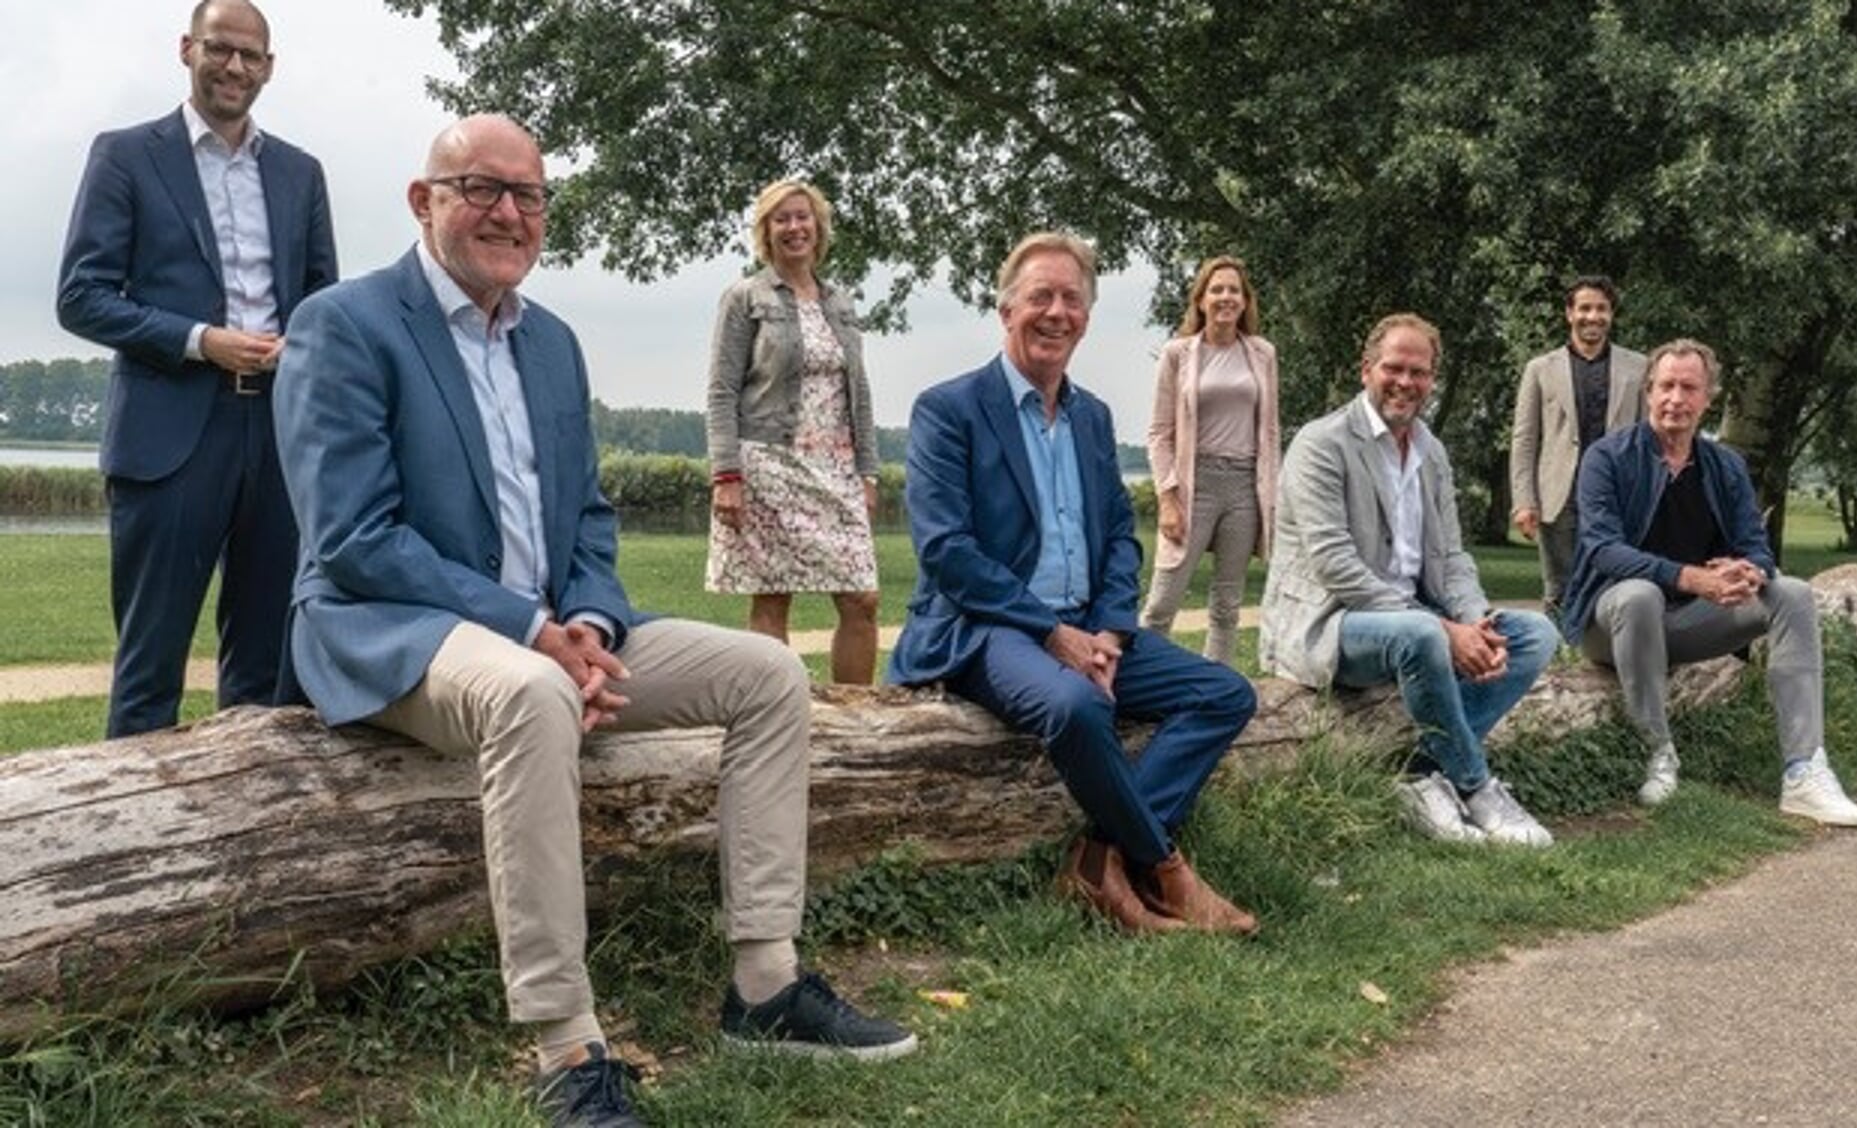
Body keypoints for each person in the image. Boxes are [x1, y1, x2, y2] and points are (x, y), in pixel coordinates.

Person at [275, 116, 914, 1128]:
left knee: (767, 673)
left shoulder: (553, 341)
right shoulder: (344, 324)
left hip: (549, 629)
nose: (509, 213)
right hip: (395, 629)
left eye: (529, 196)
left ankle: (765, 986)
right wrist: (531, 633)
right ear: (422, 200)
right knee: (533, 695)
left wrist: (591, 625)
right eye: (482, 188)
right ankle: (565, 1044)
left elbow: (587, 522)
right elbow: (355, 538)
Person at [888, 232, 1260, 936]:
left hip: (1089, 627)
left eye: (1072, 299)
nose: (1056, 312)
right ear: (1005, 310)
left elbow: (1121, 535)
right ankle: (1166, 869)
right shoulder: (950, 410)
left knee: (1225, 693)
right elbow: (947, 552)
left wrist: (1113, 632)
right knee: (1078, 708)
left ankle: (1099, 856)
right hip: (986, 627)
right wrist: (1053, 634)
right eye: (1040, 297)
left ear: (1086, 317)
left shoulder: (1092, 418)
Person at [55, 0, 336, 737]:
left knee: (268, 672)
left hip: (278, 437)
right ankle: (137, 841)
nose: (235, 67)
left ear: (269, 68)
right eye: (221, 49)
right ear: (188, 49)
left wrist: (304, 351)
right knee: (150, 669)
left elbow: (320, 303)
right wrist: (199, 340)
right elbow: (80, 298)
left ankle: (246, 840)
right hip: (170, 435)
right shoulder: (124, 155)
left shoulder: (301, 173)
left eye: (251, 56)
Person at [1257, 314, 1559, 847]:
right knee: (1420, 636)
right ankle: (1477, 786)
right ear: (1367, 369)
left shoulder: (1431, 453)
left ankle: (1421, 775)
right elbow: (1336, 566)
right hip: (1332, 621)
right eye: (1394, 368)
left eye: (1419, 372)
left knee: (1536, 636)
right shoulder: (1320, 443)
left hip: (1417, 616)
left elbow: (1450, 556)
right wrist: (1444, 629)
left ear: (1432, 380)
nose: (1405, 382)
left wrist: (1474, 620)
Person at [1560, 339, 1857, 825]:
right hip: (1611, 620)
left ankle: (1804, 770)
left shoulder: (1724, 465)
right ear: (1648, 392)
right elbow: (1602, 548)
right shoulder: (1608, 457)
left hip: (1688, 623)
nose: (1675, 399)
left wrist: (1750, 571)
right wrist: (1691, 577)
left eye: (1689, 388)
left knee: (1792, 593)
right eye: (1666, 386)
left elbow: (1756, 544)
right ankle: (1658, 752)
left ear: (1709, 399)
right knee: (1640, 595)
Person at [705, 180, 881, 684]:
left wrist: (867, 471)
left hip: (836, 467)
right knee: (773, 596)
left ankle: (852, 719)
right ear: (766, 231)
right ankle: (775, 716)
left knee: (861, 597)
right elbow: (720, 391)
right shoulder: (745, 297)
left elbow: (859, 392)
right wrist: (726, 475)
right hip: (768, 463)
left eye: (802, 217)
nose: (794, 227)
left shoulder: (840, 302)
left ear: (818, 227)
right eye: (781, 219)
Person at [1141, 256, 1281, 664]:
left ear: (1244, 300)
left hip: (1243, 487)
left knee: (1226, 605)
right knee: (1162, 602)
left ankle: (1215, 690)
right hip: (1193, 485)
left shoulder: (1263, 354)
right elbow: (1159, 433)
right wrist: (1168, 497)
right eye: (1217, 289)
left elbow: (1270, 431)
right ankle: (1140, 683)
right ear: (1201, 299)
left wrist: (1271, 496)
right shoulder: (1177, 354)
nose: (1225, 297)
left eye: (1233, 290)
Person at [1508, 275, 1648, 618]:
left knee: (1615, 581)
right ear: (1569, 313)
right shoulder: (1540, 369)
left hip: (1616, 495)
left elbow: (1648, 439)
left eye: (1601, 308)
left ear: (1611, 314)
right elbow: (1525, 439)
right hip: (1559, 495)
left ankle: (1601, 656)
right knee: (1560, 587)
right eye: (1584, 308)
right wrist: (1524, 500)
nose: (1593, 316)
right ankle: (1558, 661)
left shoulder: (1639, 368)